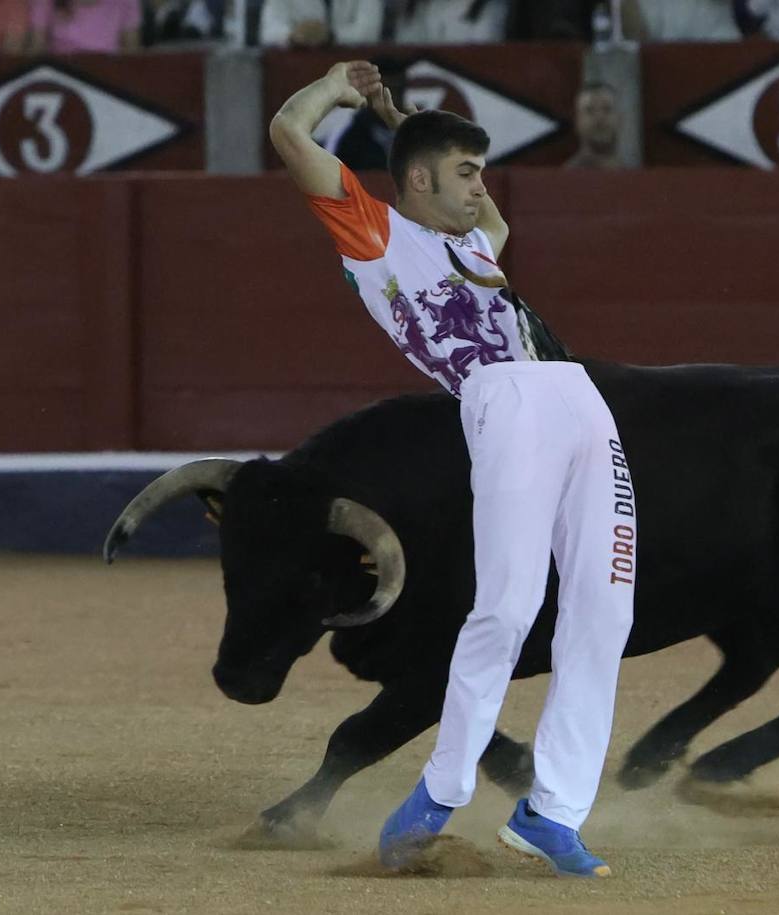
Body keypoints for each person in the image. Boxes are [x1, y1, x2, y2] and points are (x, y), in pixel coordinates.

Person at [268, 59, 637, 878]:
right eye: (468, 173)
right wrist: (337, 85)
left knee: (604, 614)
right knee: (506, 608)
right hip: (501, 402)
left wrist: (408, 124)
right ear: (423, 179)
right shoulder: (376, 236)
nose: (482, 189)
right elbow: (290, 133)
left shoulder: (475, 240)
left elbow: (484, 214)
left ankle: (552, 810)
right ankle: (439, 793)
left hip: (580, 400)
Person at [258, 0, 383, 47]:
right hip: (299, 70)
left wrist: (332, 36)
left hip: (352, 72)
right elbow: (268, 33)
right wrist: (293, 36)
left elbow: (369, 31)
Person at [29, 0, 140, 51]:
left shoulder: (126, 2)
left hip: (109, 79)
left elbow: (131, 52)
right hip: (60, 76)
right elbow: (36, 49)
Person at [564, 81, 623, 170]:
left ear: (620, 119)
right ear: (577, 121)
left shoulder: (635, 178)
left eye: (607, 109)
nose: (599, 117)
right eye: (589, 111)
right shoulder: (565, 179)